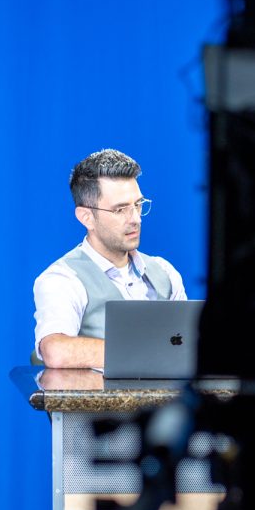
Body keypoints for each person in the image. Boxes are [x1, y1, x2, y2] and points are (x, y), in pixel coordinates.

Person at [33, 149, 186, 368]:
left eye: (138, 205)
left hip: (168, 401)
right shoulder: (62, 279)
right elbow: (56, 350)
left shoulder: (165, 272)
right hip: (104, 401)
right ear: (87, 217)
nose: (135, 219)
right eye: (120, 209)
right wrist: (148, 350)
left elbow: (187, 347)